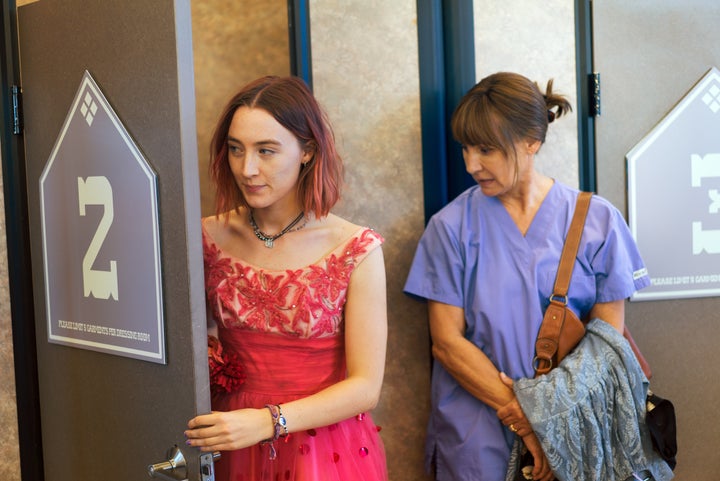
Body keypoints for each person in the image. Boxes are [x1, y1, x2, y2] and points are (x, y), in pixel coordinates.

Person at [403, 72, 652, 481]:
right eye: (465, 148)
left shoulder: (597, 220)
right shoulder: (450, 228)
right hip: (477, 431)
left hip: (574, 429)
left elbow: (606, 346)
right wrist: (527, 420)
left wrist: (548, 420)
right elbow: (447, 343)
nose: (471, 164)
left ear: (531, 142)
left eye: (486, 149)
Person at [185, 76, 388, 481]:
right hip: (228, 434)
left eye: (266, 151)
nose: (248, 168)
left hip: (322, 445)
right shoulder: (205, 236)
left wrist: (266, 422)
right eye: (236, 149)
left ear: (307, 151)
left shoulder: (356, 249)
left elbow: (366, 386)